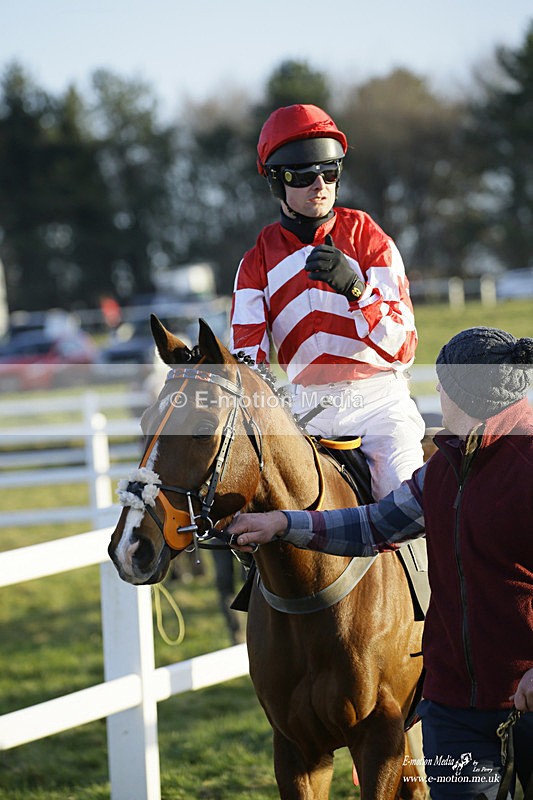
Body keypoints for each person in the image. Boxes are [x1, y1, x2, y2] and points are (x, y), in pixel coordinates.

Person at [228, 326, 533, 799]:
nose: (435, 392)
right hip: (453, 712)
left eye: (443, 384)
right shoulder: (443, 468)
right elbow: (375, 525)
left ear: (468, 394)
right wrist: (283, 525)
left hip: (526, 699)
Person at [230, 103, 425, 500]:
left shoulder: (371, 239)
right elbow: (247, 362)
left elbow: (404, 349)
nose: (320, 185)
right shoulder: (256, 261)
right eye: (303, 176)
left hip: (380, 409)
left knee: (404, 504)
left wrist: (357, 291)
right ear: (276, 182)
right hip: (306, 412)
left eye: (329, 171)